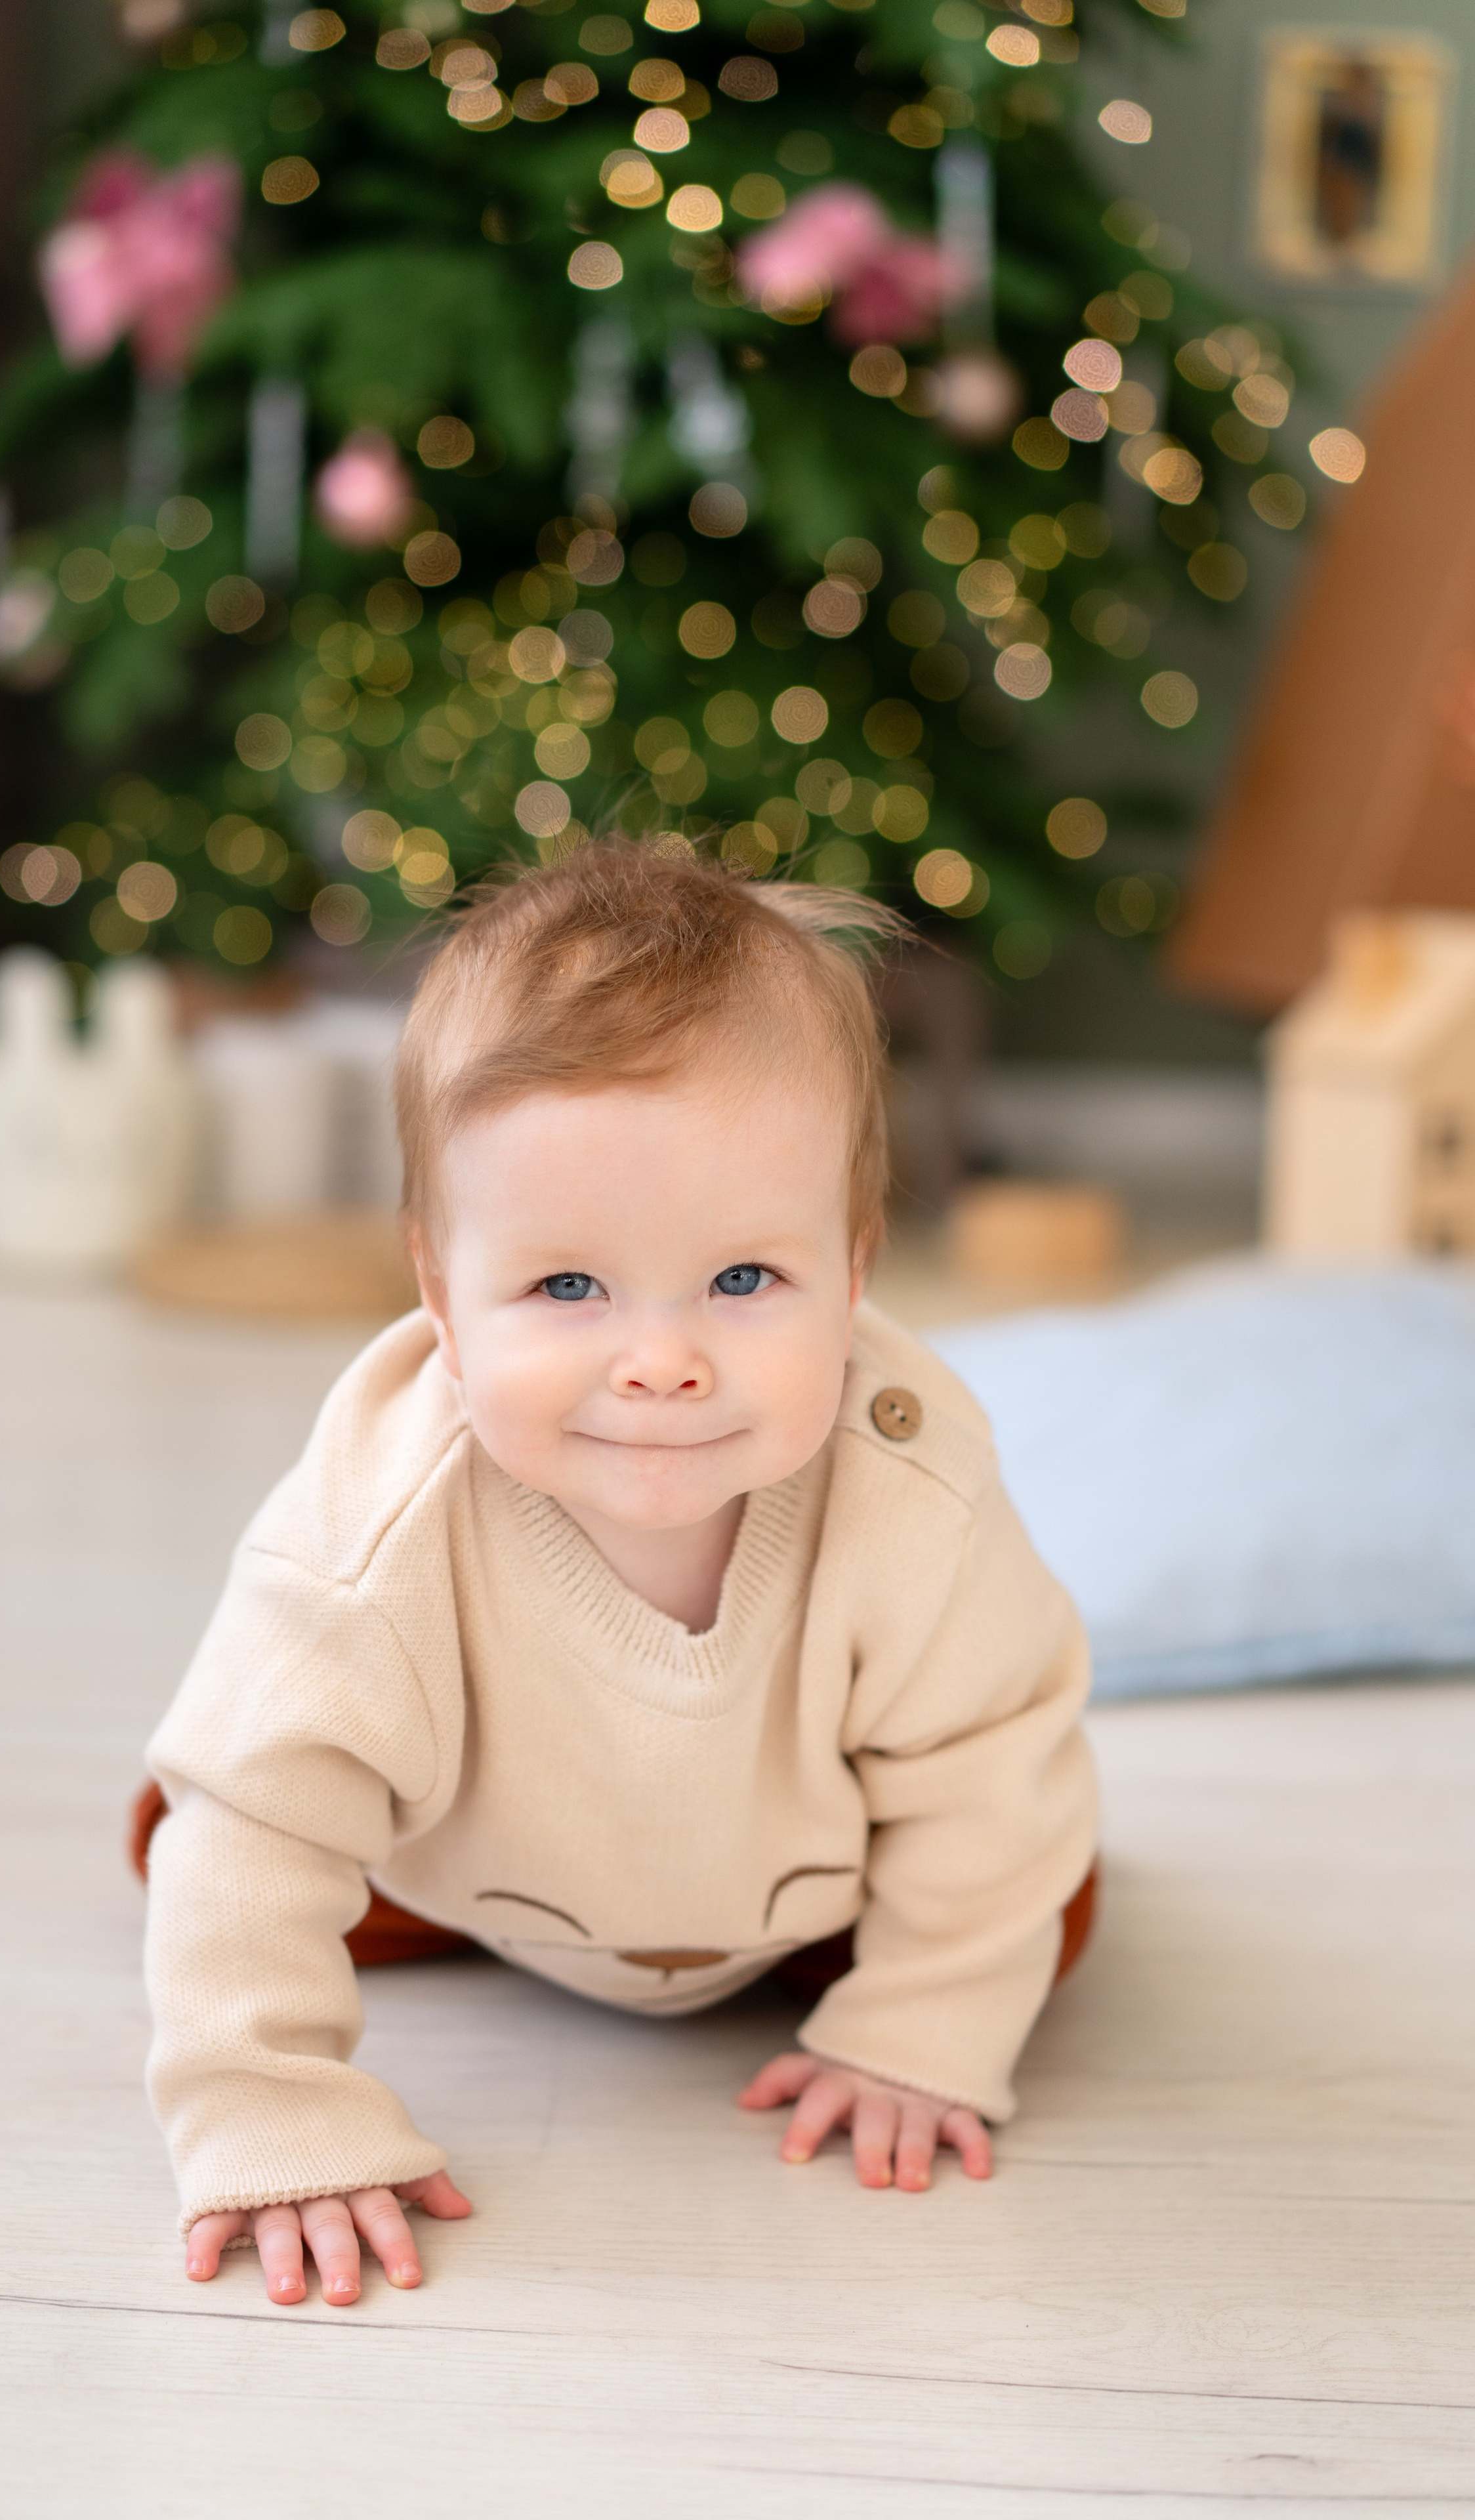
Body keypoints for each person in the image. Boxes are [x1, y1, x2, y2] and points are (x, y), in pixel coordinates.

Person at [142, 845, 1098, 2310]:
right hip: (473, 1858)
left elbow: (989, 1754)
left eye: (741, 1281)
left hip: (803, 1883)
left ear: (852, 1271)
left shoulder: (911, 1495)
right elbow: (264, 1817)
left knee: (1045, 1871)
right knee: (220, 1810)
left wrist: (917, 2029)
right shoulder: (373, 1532)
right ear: (440, 1299)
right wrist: (269, 2109)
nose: (660, 1359)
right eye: (566, 1288)